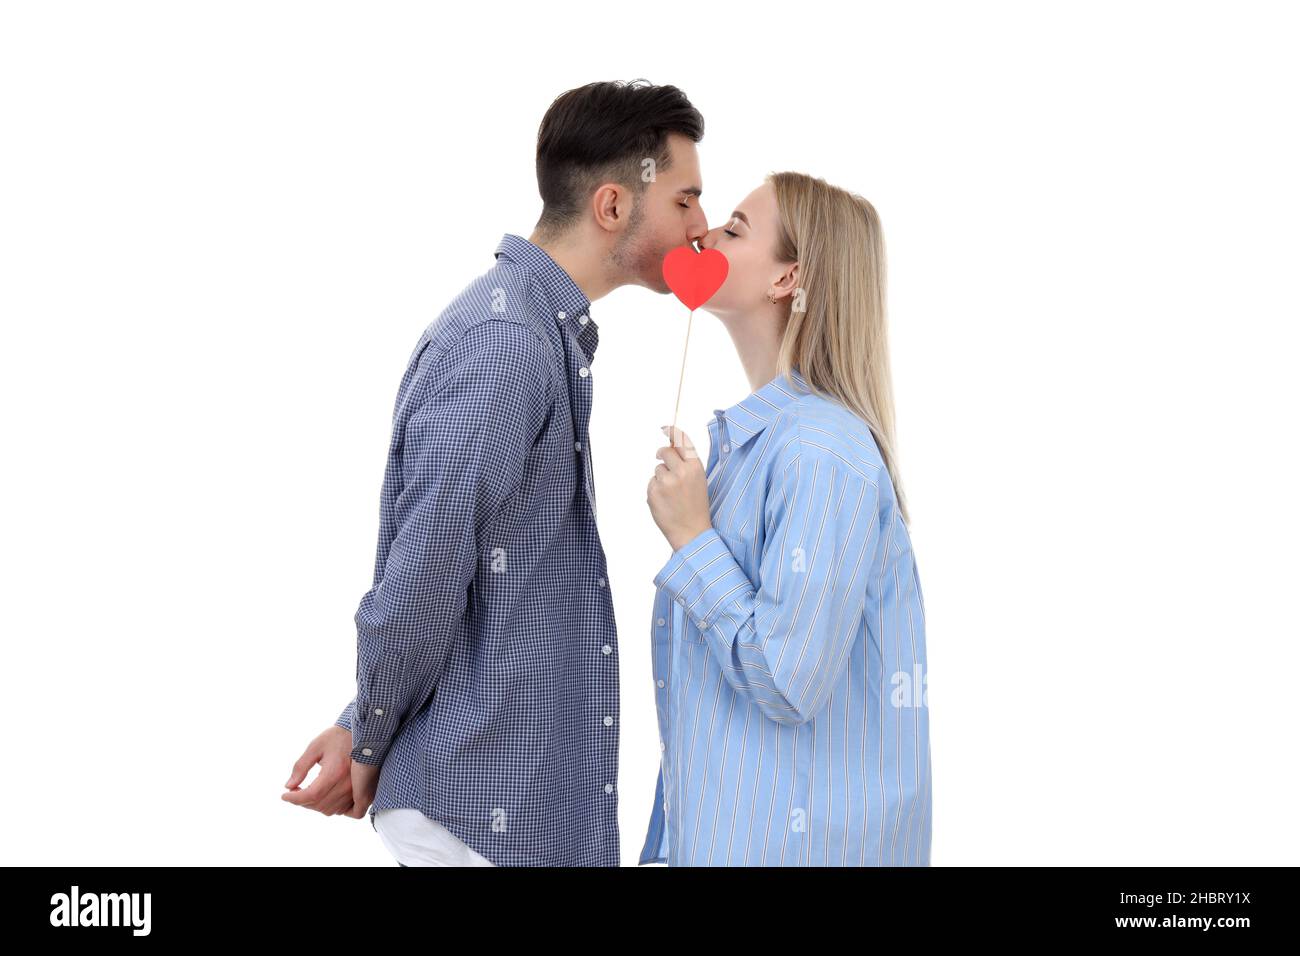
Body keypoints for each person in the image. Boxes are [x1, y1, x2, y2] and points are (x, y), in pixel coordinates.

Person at [281, 79, 710, 866]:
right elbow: (422, 575)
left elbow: (471, 582)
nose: (703, 227)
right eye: (685, 200)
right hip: (476, 824)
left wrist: (360, 722)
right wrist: (371, 735)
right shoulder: (507, 347)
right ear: (613, 206)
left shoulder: (535, 334)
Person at [641, 171, 932, 866]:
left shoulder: (818, 449)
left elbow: (786, 678)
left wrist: (692, 538)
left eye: (736, 230)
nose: (704, 233)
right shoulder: (760, 452)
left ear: (787, 279)